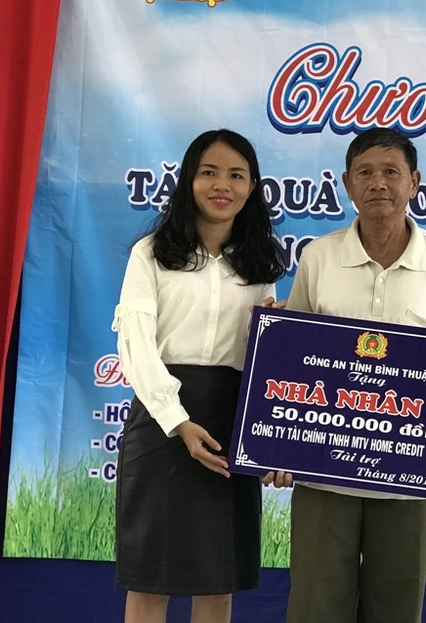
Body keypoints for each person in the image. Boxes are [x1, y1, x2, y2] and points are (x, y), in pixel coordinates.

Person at [277, 128, 426, 623]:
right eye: (365, 172)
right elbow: (290, 361)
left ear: (414, 182)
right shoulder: (319, 256)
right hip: (324, 474)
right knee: (314, 605)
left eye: (391, 172)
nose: (378, 183)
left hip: (409, 479)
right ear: (347, 184)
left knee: (398, 608)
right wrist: (277, 447)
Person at [111, 129, 290, 623]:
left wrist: (274, 435)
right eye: (209, 172)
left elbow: (263, 360)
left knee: (218, 582)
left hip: (231, 421)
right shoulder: (151, 252)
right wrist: (177, 420)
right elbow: (136, 343)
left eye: (236, 175)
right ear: (189, 179)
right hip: (162, 423)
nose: (222, 185)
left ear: (252, 188)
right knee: (150, 579)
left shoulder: (260, 263)